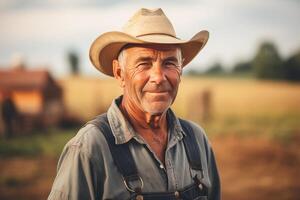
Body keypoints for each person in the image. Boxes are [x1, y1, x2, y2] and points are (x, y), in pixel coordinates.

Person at [48, 8, 220, 200]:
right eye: (144, 63)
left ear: (181, 70)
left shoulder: (197, 140)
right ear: (119, 73)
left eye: (170, 63)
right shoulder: (89, 148)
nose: (158, 77)